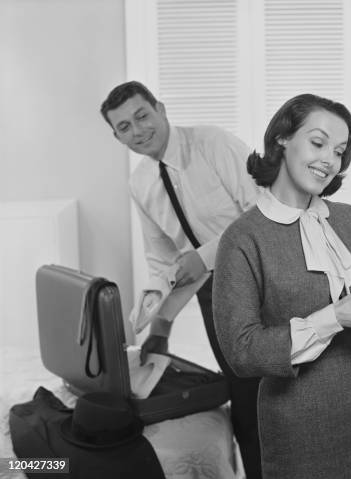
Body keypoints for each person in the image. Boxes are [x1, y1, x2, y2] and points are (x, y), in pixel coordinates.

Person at [213, 93, 351, 478]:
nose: (329, 160)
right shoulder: (243, 238)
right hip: (295, 422)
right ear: (282, 139)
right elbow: (241, 351)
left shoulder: (349, 219)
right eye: (318, 142)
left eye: (340, 151)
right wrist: (336, 316)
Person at [100, 81, 262, 479]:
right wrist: (160, 326)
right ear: (117, 137)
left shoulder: (214, 144)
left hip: (265, 277)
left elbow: (264, 212)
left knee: (274, 393)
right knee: (242, 396)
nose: (137, 131)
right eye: (124, 127)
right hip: (213, 294)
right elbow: (163, 263)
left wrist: (203, 256)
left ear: (161, 108)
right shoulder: (140, 184)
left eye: (142, 116)